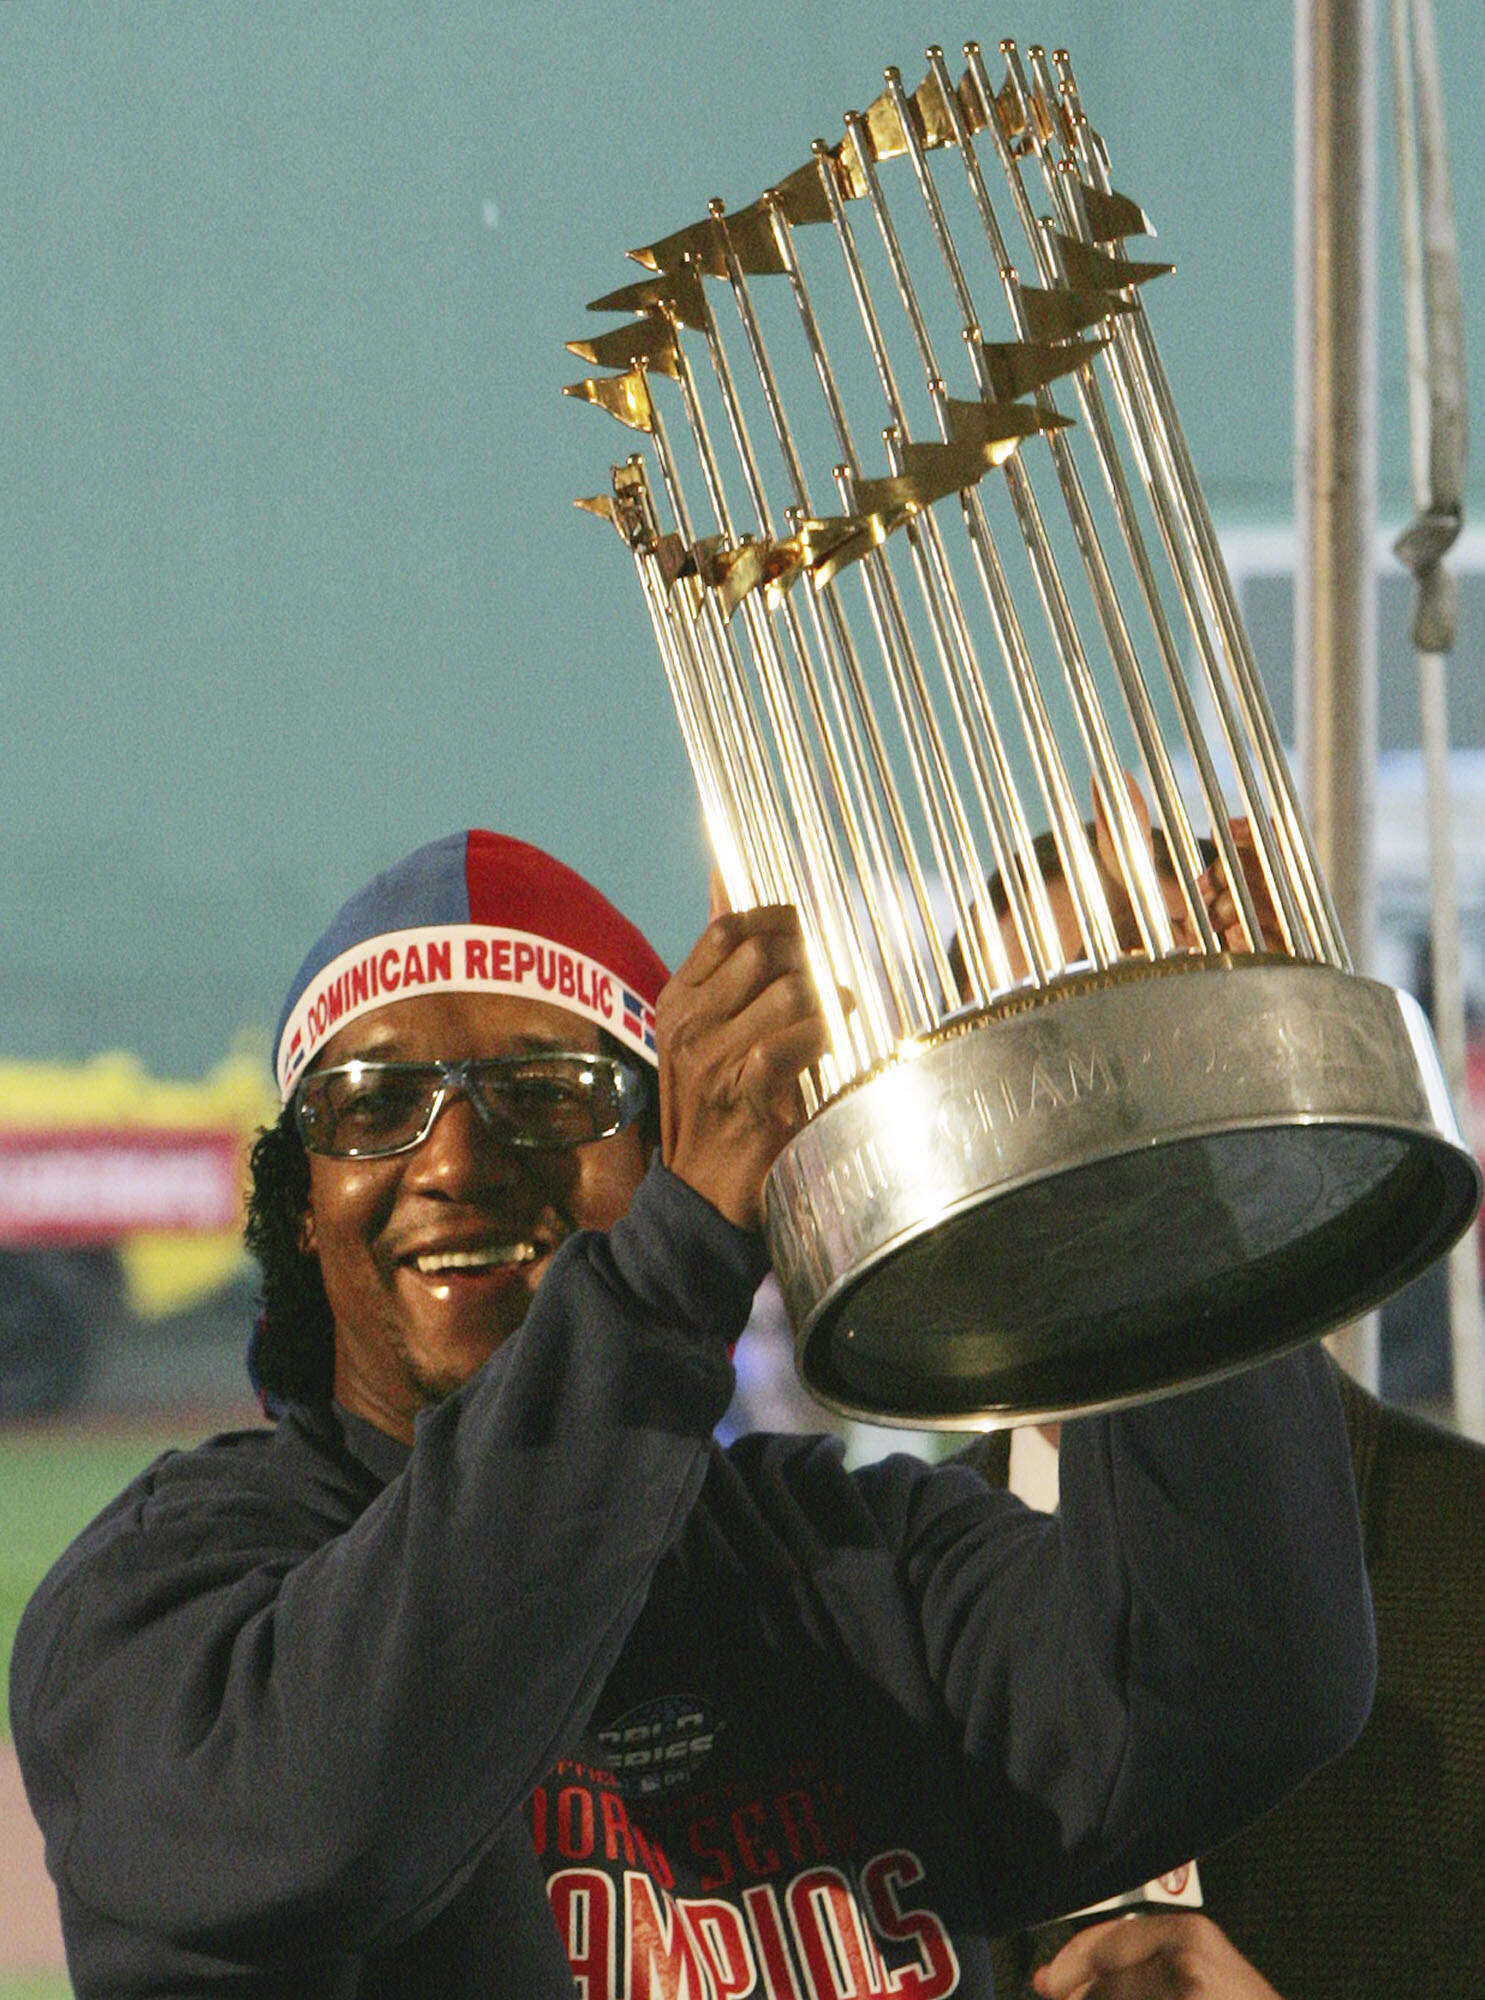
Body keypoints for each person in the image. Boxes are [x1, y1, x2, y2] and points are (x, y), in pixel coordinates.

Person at [10, 827, 1376, 1998]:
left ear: (667, 1147)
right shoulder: (159, 1598)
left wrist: (1156, 1145)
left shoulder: (850, 1567)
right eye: (373, 1105)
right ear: (300, 1206)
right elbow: (337, 1821)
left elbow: (1236, 1691)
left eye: (547, 1097)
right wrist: (665, 1274)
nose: (452, 1161)